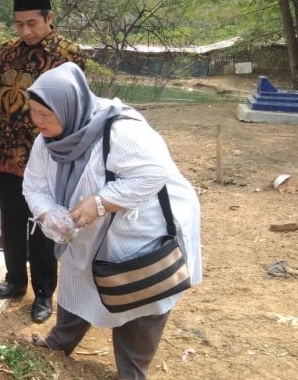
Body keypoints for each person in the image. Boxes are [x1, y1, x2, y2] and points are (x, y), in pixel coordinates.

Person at [22, 62, 202, 380]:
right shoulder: (46, 141)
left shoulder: (119, 131)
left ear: (70, 106)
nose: (37, 122)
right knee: (79, 284)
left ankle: (131, 371)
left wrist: (101, 202)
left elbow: (153, 172)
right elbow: (34, 185)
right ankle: (59, 343)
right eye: (33, 112)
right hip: (90, 233)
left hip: (142, 231)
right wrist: (49, 213)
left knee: (138, 295)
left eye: (44, 115)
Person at [0, 0, 84, 323]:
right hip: (5, 154)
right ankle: (15, 280)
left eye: (32, 23)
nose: (24, 31)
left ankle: (44, 292)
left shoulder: (68, 54)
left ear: (49, 18)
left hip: (47, 158)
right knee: (10, 220)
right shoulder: (5, 52)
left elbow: (76, 105)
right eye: (19, 24)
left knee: (43, 225)